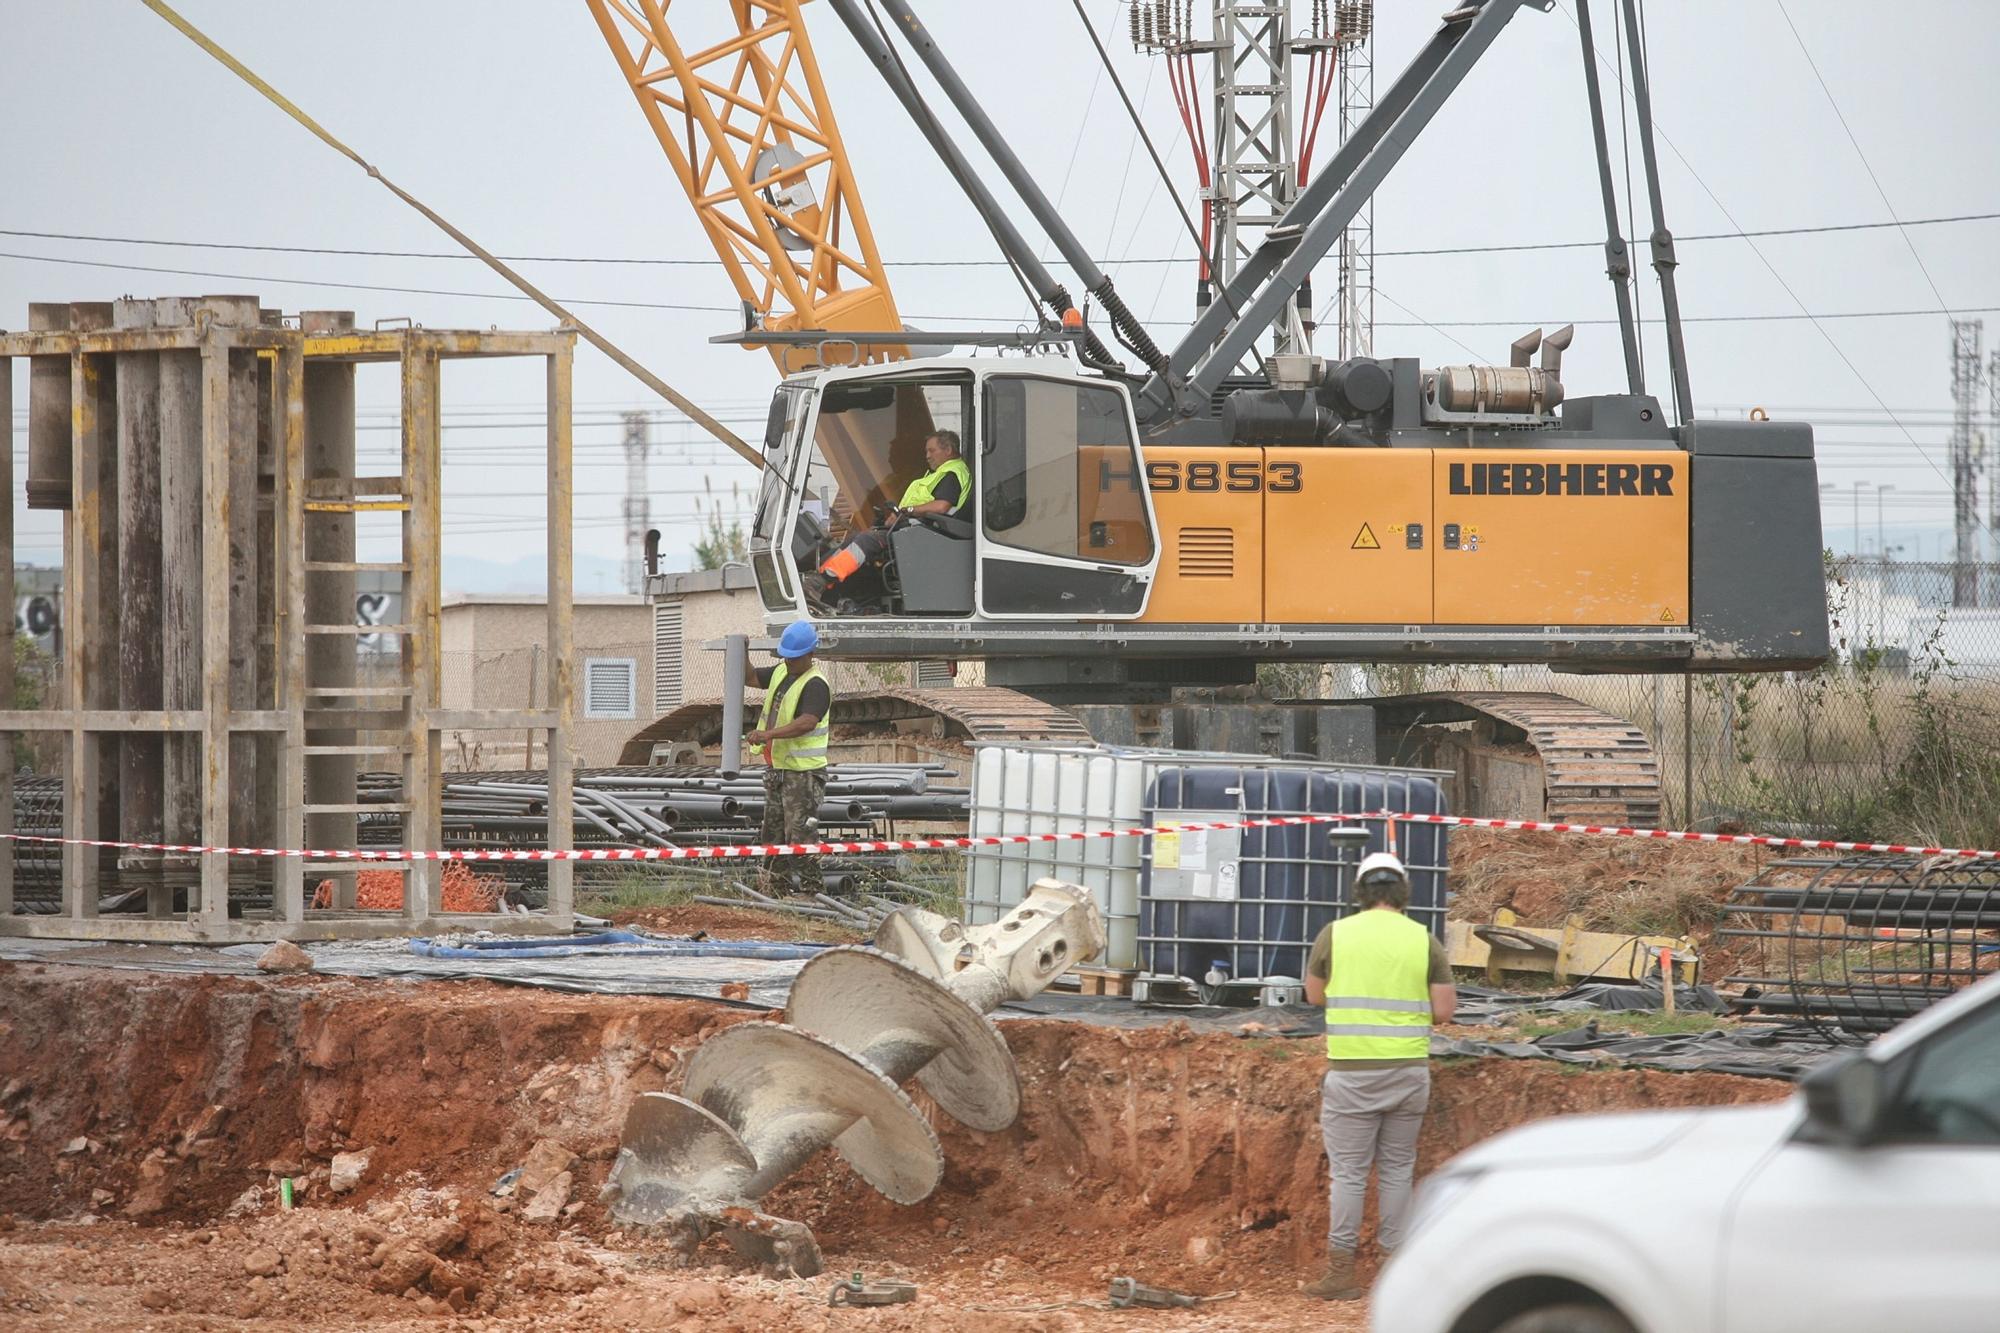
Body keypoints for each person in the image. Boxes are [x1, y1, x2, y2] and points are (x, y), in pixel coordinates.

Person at [1300, 850, 1457, 1302]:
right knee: (1397, 1170)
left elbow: (1314, 996)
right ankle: (1394, 1271)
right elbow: (1444, 1011)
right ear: (1402, 891)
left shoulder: (1336, 934)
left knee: (1349, 1174)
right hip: (1408, 1071)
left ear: (1361, 891)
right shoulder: (1423, 939)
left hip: (1352, 1073)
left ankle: (1341, 1272)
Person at [813, 430, 970, 594]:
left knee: (867, 541)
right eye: (926, 451)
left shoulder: (952, 473)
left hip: (926, 533)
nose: (927, 456)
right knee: (856, 538)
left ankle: (824, 580)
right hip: (916, 529)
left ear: (948, 450)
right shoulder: (940, 473)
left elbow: (941, 507)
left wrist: (907, 511)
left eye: (931, 450)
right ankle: (821, 577)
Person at [743, 620, 831, 896]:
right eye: (786, 657)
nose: (789, 662)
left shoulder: (816, 684)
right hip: (778, 770)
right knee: (773, 834)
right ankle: (773, 890)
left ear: (810, 654)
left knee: (801, 835)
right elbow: (751, 678)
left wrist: (768, 734)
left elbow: (807, 722)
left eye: (794, 658)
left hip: (803, 774)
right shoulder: (782, 672)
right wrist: (741, 651)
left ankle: (812, 892)